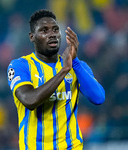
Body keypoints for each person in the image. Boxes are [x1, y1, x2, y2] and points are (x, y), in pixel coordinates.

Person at [7, 9, 105, 150]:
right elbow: (29, 100)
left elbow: (99, 98)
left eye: (55, 29)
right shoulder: (20, 66)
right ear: (32, 37)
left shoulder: (76, 65)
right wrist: (63, 71)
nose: (52, 34)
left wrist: (75, 62)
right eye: (44, 31)